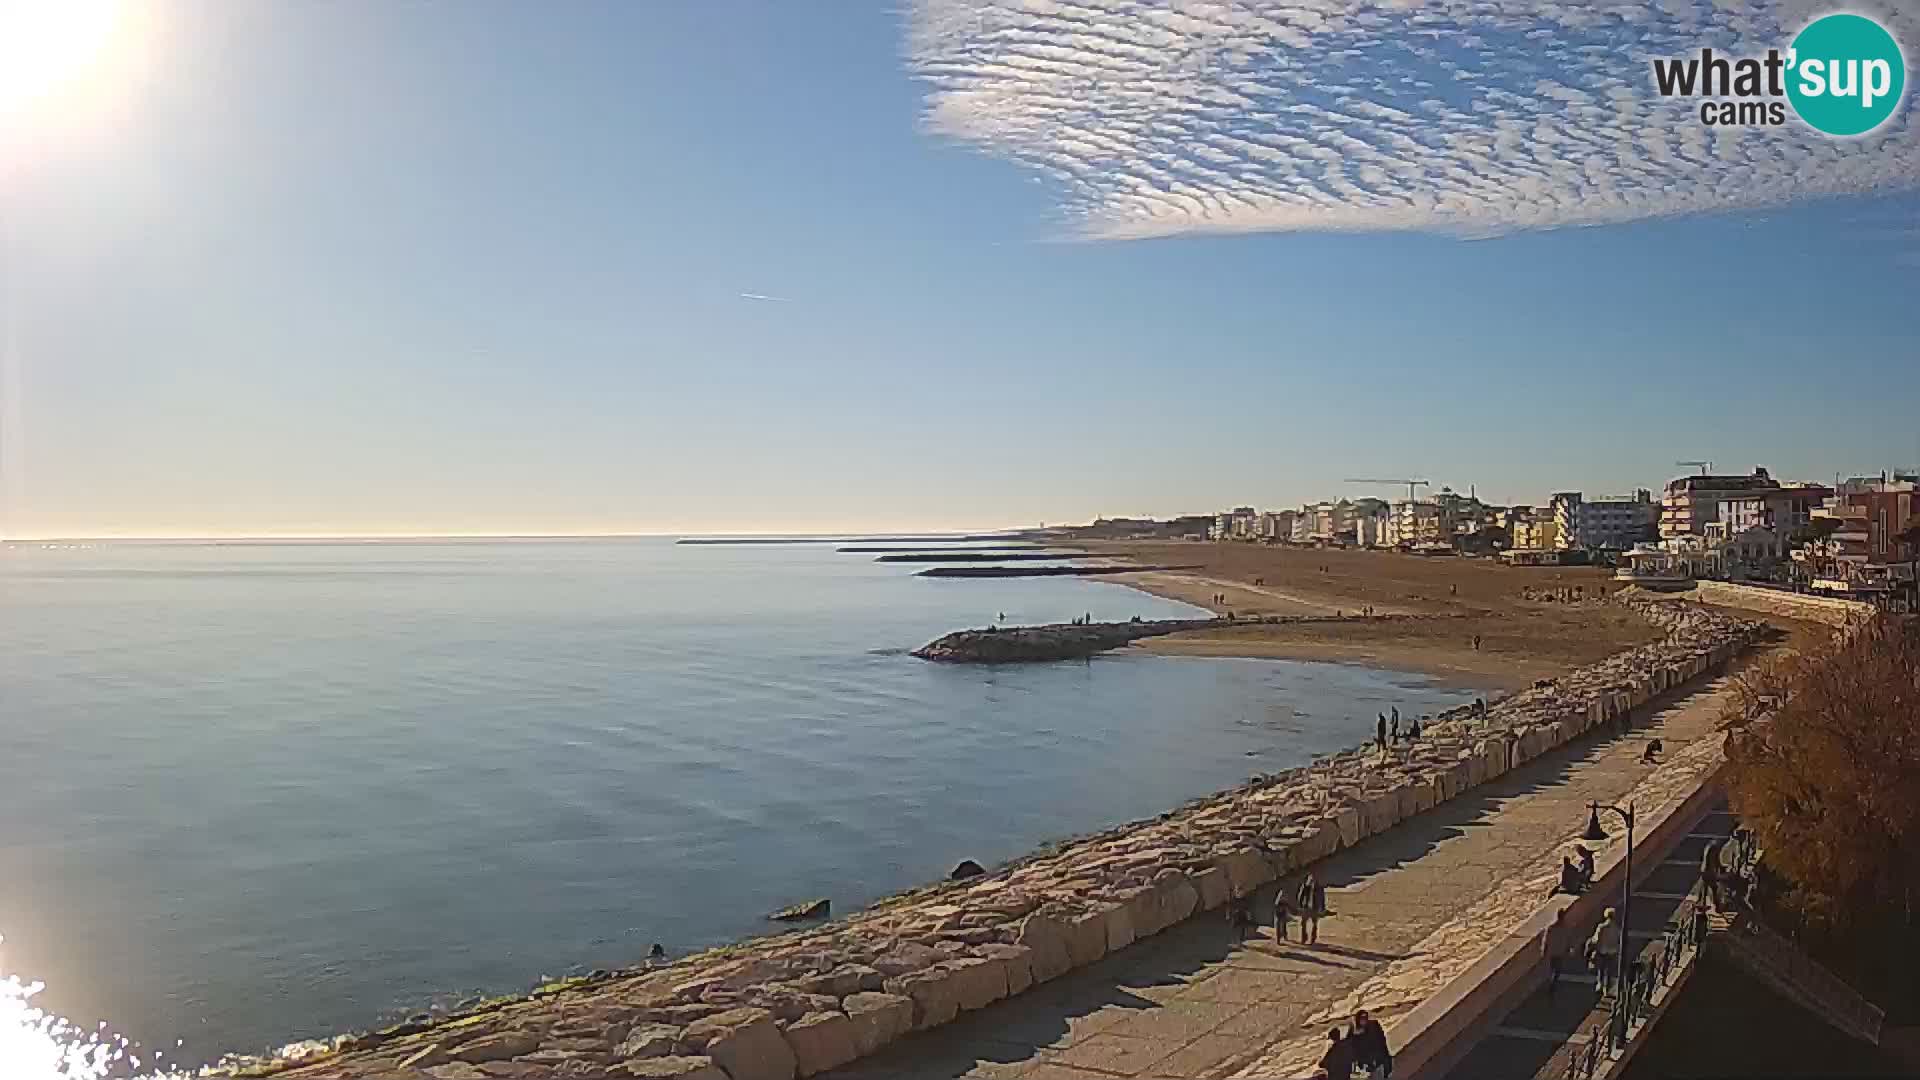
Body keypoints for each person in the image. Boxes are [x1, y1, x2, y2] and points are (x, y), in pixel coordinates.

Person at [1587, 908, 1622, 998]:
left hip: (1602, 950)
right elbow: (1618, 941)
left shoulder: (1601, 927)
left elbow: (1596, 939)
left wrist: (1591, 944)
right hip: (1612, 952)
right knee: (1609, 971)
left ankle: (1600, 985)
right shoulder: (1617, 929)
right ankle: (1606, 989)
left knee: (1601, 969)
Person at [1350, 1010, 1392, 1079]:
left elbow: (1382, 1038)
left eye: (1365, 1017)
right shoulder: (1355, 1032)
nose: (1363, 1020)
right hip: (1367, 1061)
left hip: (1378, 1056)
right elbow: (1354, 1047)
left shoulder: (1374, 1025)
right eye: (1361, 1018)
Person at [1298, 873, 1322, 944]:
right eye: (1311, 879)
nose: (1312, 881)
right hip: (1306, 907)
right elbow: (1300, 896)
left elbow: (1321, 898)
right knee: (1303, 923)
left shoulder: (1318, 887)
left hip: (1315, 907)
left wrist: (1322, 907)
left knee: (1314, 924)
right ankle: (1304, 938)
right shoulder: (1305, 886)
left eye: (1313, 880)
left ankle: (1313, 938)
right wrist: (1300, 905)